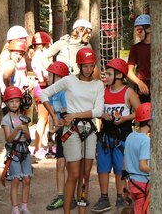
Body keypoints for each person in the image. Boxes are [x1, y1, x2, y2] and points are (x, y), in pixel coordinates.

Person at [40, 47, 104, 214]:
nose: (88, 69)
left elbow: (98, 111)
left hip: (89, 129)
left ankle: (81, 211)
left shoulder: (98, 85)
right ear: (79, 65)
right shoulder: (69, 81)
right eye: (85, 66)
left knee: (85, 175)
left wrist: (74, 114)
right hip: (72, 131)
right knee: (74, 174)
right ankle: (67, 211)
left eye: (91, 66)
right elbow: (44, 94)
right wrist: (54, 117)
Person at [91, 58, 140, 212]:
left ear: (119, 75)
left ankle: (120, 196)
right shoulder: (103, 92)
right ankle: (104, 197)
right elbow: (97, 110)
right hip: (105, 136)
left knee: (120, 168)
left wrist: (125, 118)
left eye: (110, 74)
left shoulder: (129, 92)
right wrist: (102, 115)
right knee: (103, 167)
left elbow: (140, 112)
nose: (106, 77)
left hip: (122, 137)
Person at [42, 61, 72, 211]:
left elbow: (67, 116)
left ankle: (72, 195)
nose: (47, 77)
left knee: (72, 166)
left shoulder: (64, 93)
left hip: (70, 133)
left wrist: (56, 128)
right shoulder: (51, 93)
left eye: (49, 75)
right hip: (60, 133)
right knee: (60, 164)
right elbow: (51, 116)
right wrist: (50, 135)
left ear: (58, 77)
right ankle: (61, 196)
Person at [2, 86, 34, 214]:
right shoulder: (6, 120)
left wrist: (26, 132)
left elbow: (28, 139)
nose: (14, 104)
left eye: (17, 101)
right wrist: (17, 129)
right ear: (7, 103)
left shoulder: (23, 117)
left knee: (27, 179)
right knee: (15, 179)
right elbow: (8, 139)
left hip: (24, 150)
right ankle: (15, 208)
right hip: (13, 151)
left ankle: (24, 207)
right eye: (11, 101)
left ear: (20, 102)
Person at [122, 103, 152, 214]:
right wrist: (158, 173)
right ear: (149, 121)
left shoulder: (130, 136)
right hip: (142, 184)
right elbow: (143, 166)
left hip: (132, 182)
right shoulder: (145, 141)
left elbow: (125, 161)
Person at [30, 31, 54, 158]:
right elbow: (44, 75)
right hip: (42, 88)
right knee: (43, 119)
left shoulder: (35, 56)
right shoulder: (40, 56)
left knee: (46, 119)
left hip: (41, 88)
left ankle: (45, 144)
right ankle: (38, 148)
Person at [125, 15, 151, 103]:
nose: (137, 34)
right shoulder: (136, 48)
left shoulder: (160, 46)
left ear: (149, 29)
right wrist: (140, 83)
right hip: (143, 88)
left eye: (139, 30)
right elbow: (129, 71)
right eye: (136, 31)